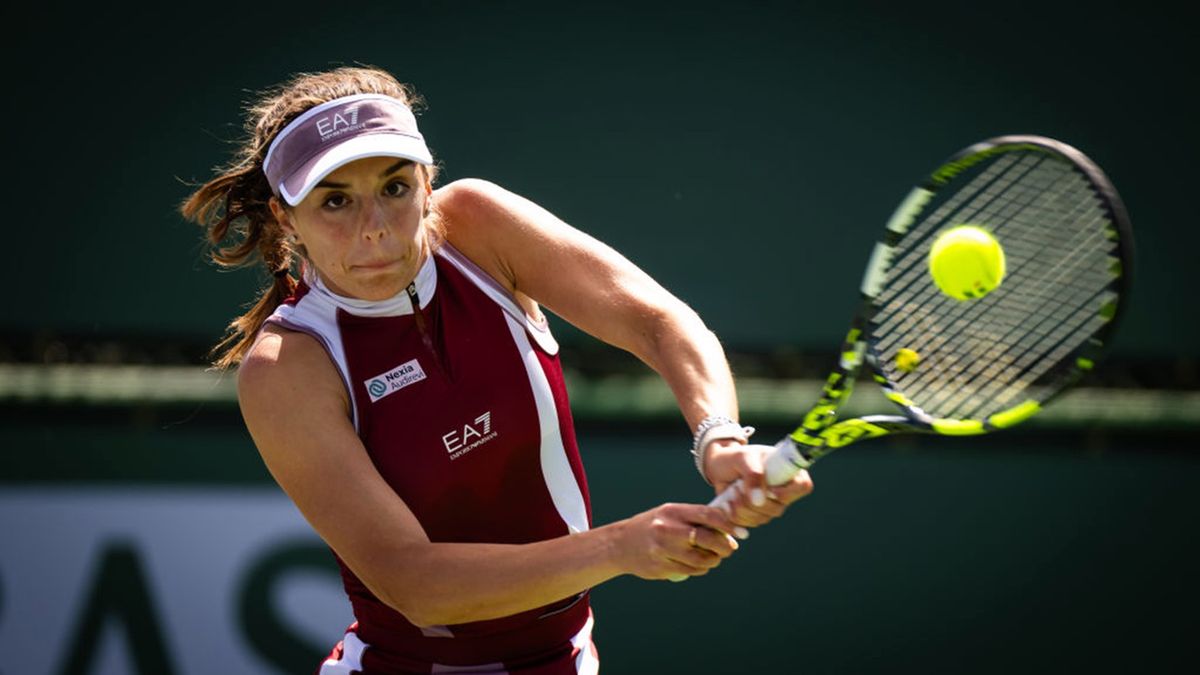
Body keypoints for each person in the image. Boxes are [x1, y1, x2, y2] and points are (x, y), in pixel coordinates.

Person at [182, 66, 813, 674]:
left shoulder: (479, 227)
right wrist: (622, 546)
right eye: (336, 200)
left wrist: (720, 440)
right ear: (284, 217)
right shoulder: (287, 367)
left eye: (395, 188)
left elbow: (661, 323)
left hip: (568, 657)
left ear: (427, 185)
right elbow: (416, 584)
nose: (373, 229)